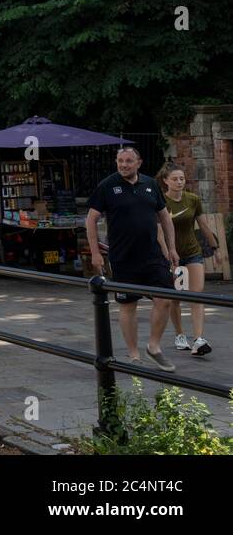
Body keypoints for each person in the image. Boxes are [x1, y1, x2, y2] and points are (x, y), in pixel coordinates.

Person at [86, 146, 180, 371]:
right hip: (123, 257)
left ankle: (154, 347)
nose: (124, 165)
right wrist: (96, 253)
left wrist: (172, 249)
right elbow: (91, 219)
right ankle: (134, 354)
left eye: (128, 161)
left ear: (139, 163)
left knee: (165, 298)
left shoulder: (150, 184)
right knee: (128, 304)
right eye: (120, 161)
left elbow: (165, 218)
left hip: (152, 255)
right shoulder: (108, 186)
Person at [156, 161, 219, 356]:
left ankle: (198, 339)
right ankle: (180, 335)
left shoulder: (192, 199)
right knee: (177, 296)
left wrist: (215, 246)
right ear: (166, 181)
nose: (179, 182)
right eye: (174, 179)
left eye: (182, 178)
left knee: (197, 294)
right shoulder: (161, 202)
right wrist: (168, 254)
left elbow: (202, 223)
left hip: (193, 251)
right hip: (173, 255)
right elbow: (159, 233)